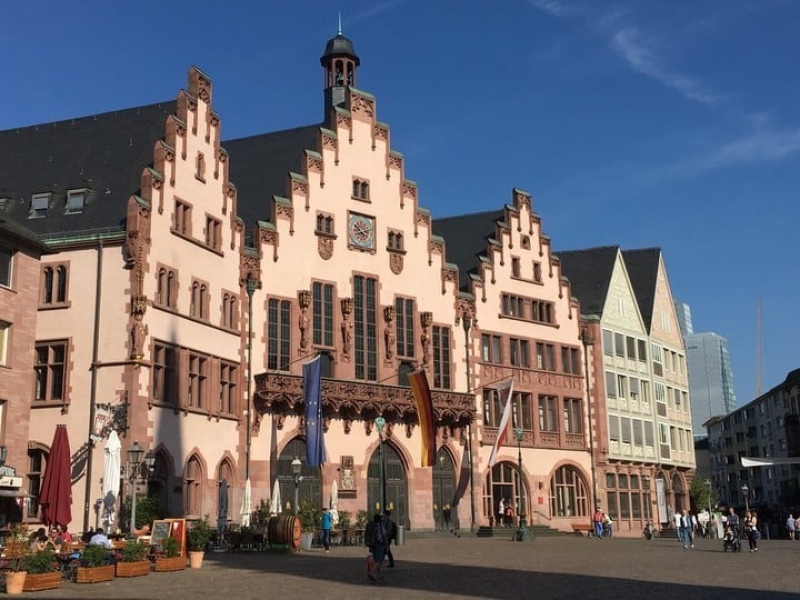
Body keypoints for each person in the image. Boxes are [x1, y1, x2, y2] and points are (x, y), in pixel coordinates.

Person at [365, 513, 388, 581]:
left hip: (372, 544)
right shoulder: (380, 526)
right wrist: (387, 545)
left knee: (376, 559)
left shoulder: (371, 525)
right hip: (379, 544)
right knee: (379, 561)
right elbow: (384, 535)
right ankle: (372, 572)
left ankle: (379, 575)